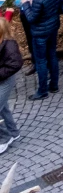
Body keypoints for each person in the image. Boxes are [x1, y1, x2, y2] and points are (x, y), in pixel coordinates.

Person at [0, 10, 21, 152]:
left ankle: (4, 138)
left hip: (6, 79)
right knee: (4, 107)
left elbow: (15, 64)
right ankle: (13, 132)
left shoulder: (10, 45)